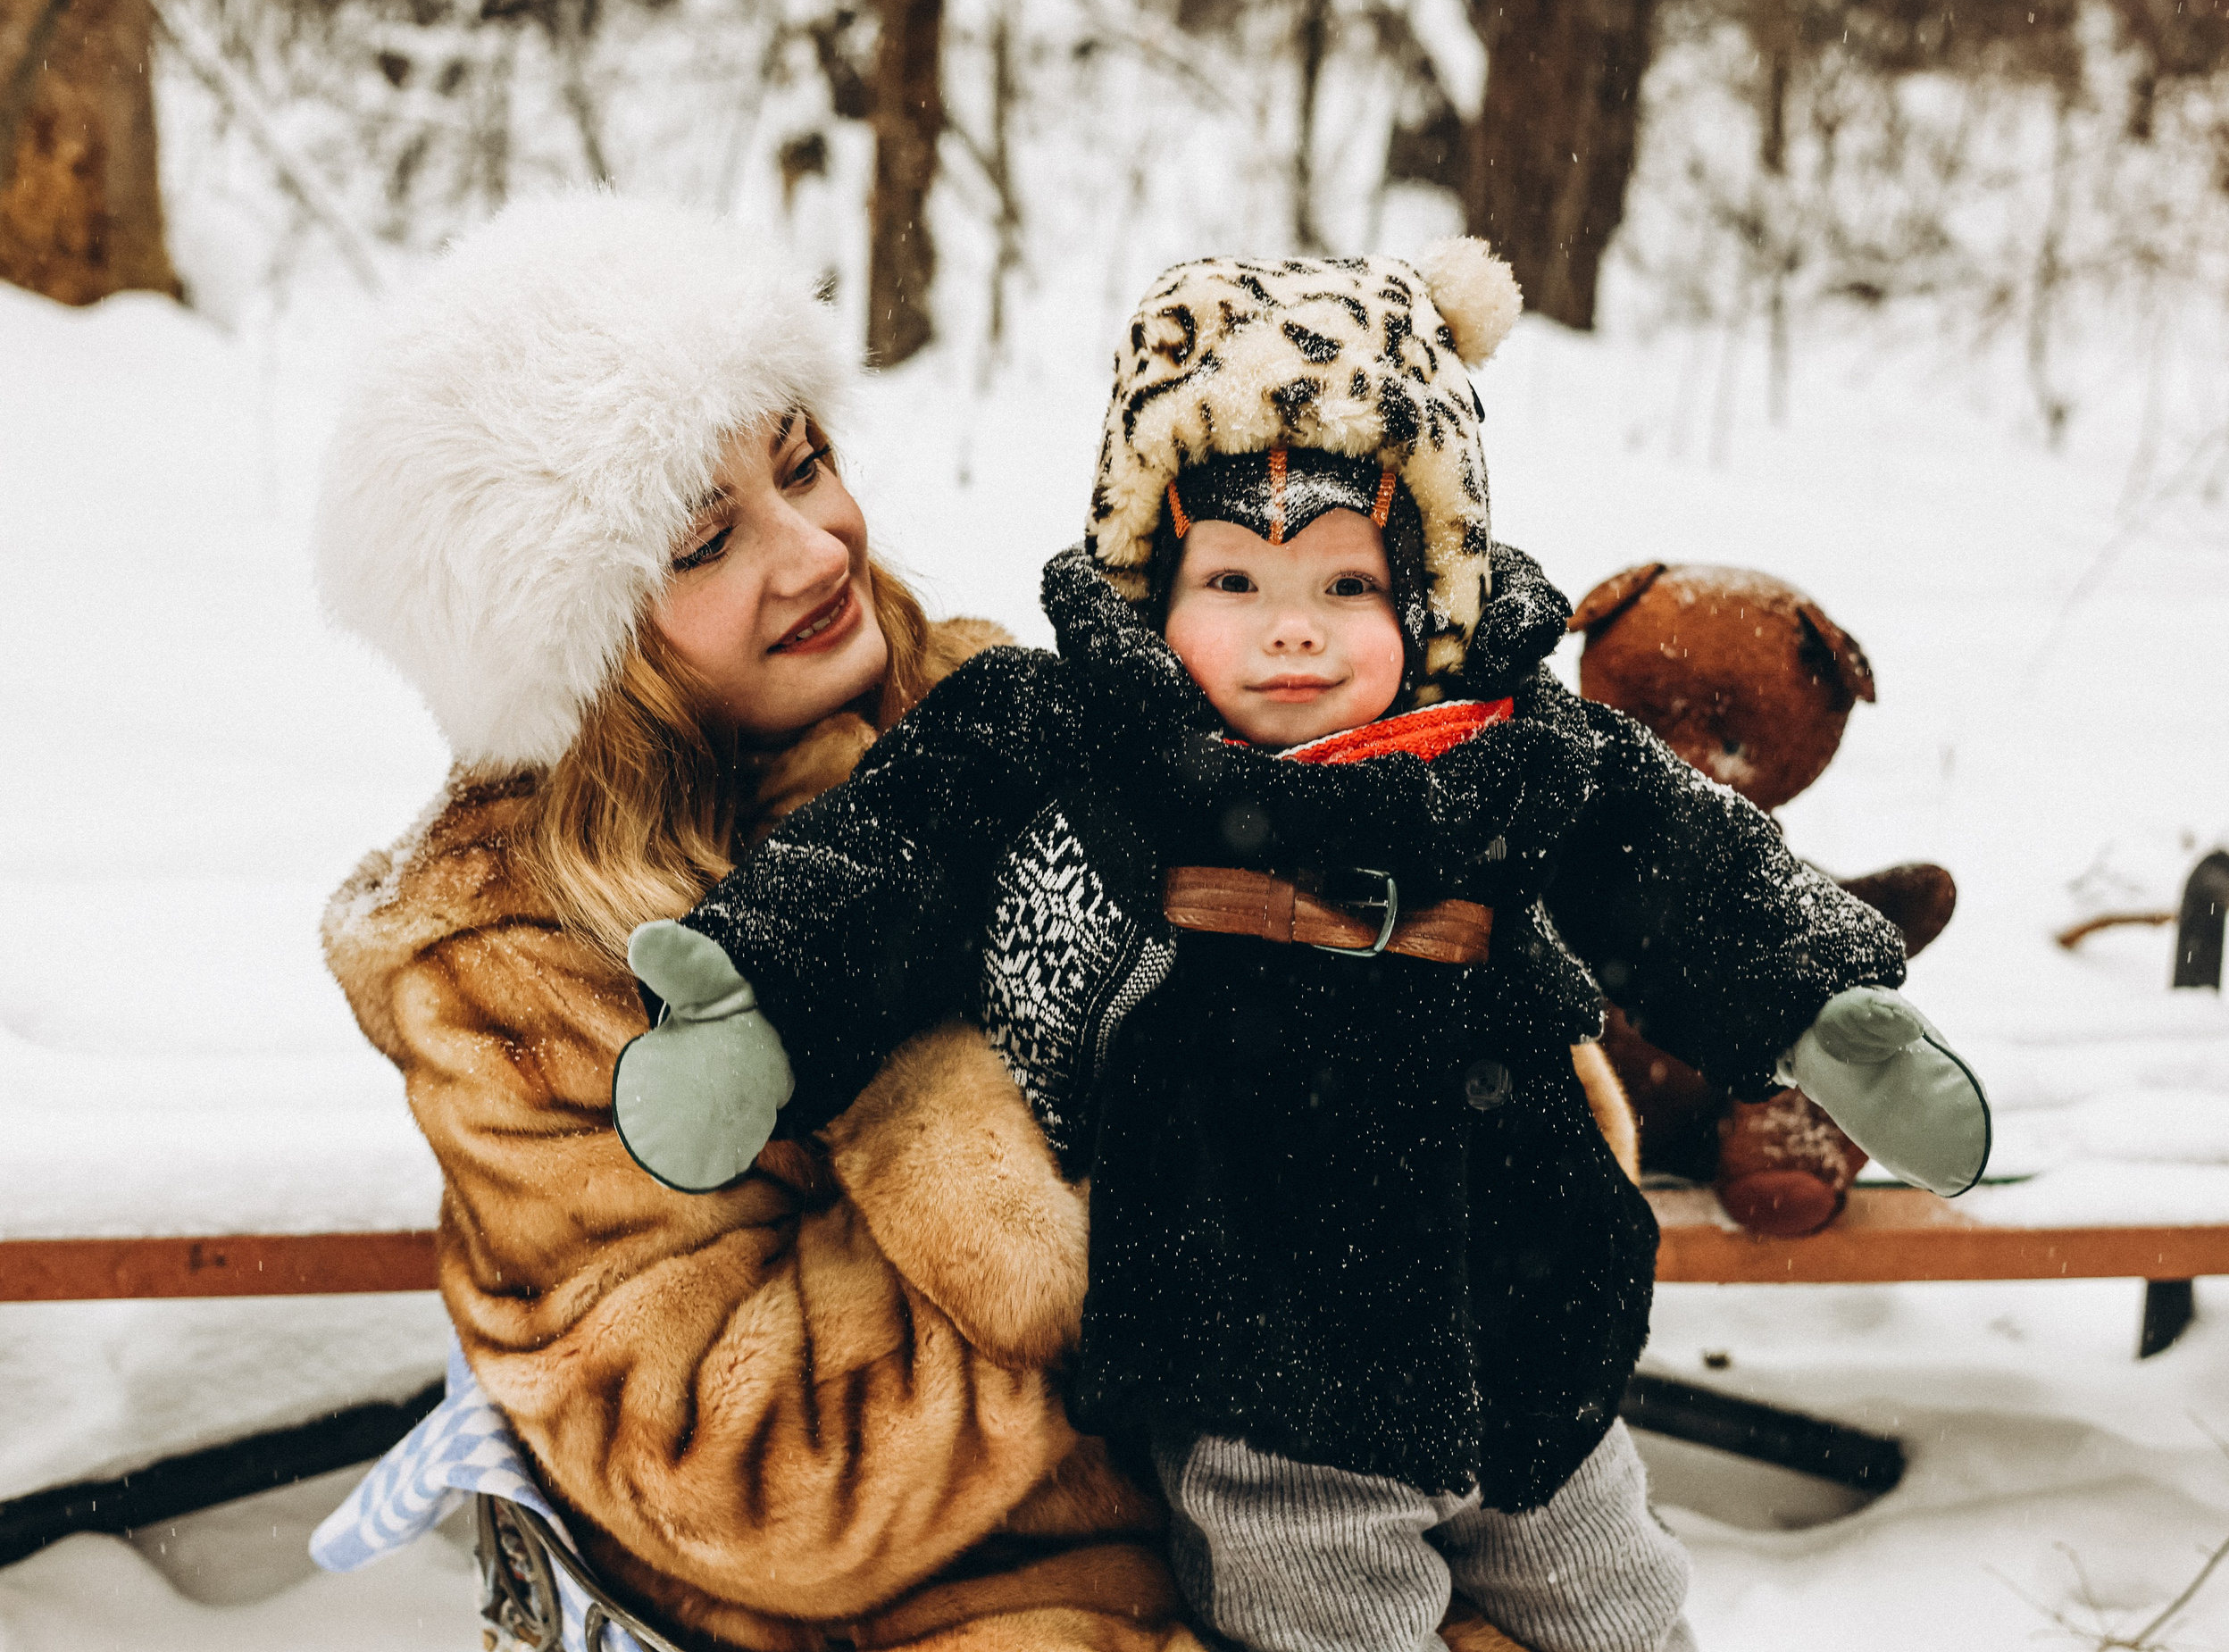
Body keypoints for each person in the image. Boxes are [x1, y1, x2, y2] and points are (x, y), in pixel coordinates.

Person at [612, 246, 1992, 1652]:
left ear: (1428, 595)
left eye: (1345, 584)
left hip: (1536, 1343)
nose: (1291, 631)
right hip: (1270, 1383)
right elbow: (891, 851)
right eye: (1233, 578)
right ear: (1153, 582)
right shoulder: (1077, 732)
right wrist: (759, 997)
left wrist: (1830, 1011)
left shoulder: (1511, 747)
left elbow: (1691, 868)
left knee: (1622, 1614)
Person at [311, 190, 1239, 1652]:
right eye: (705, 540)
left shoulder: (982, 707)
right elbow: (742, 1472)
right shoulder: (517, 971)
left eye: (804, 466)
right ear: (585, 654)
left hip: (1273, 1515)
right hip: (935, 1614)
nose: (815, 552)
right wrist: (1140, 1229)